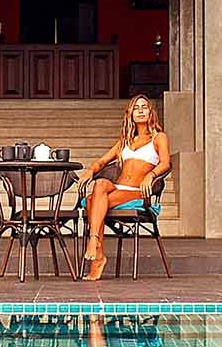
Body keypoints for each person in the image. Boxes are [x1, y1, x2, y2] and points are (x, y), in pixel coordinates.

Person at [73, 95, 170, 282]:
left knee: (93, 201)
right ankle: (95, 243)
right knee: (100, 184)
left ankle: (96, 252)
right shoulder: (125, 141)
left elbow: (165, 163)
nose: (140, 110)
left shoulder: (159, 137)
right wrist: (90, 172)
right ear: (130, 114)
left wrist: (151, 175)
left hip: (137, 192)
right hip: (118, 187)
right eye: (136, 108)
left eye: (144, 107)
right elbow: (102, 161)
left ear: (151, 112)